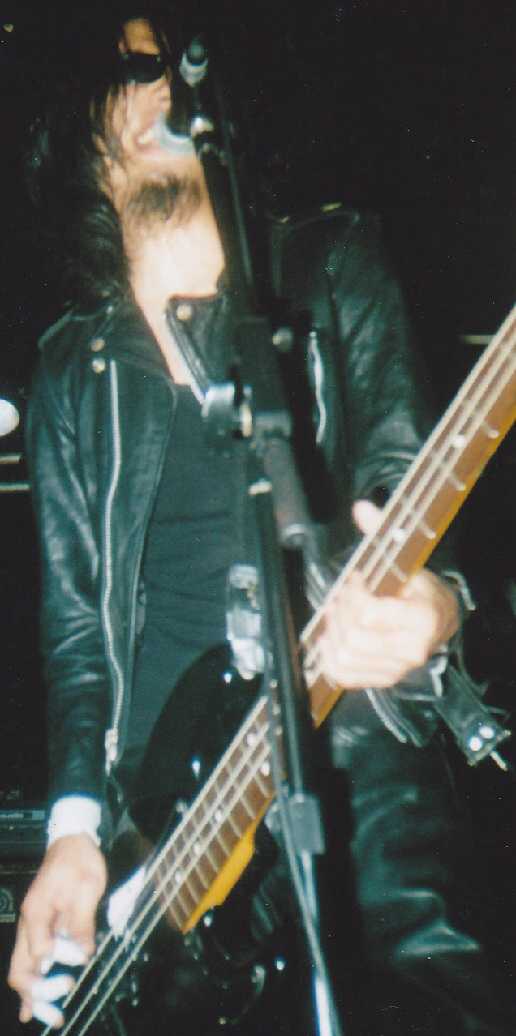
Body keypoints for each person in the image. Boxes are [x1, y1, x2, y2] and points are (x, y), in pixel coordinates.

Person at [7, 5, 515, 1034]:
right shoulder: (68, 369)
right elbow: (75, 645)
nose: (165, 83)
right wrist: (72, 837)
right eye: (135, 67)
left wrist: (433, 609)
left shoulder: (333, 263)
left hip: (349, 744)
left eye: (175, 63)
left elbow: (413, 506)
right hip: (160, 838)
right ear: (80, 130)